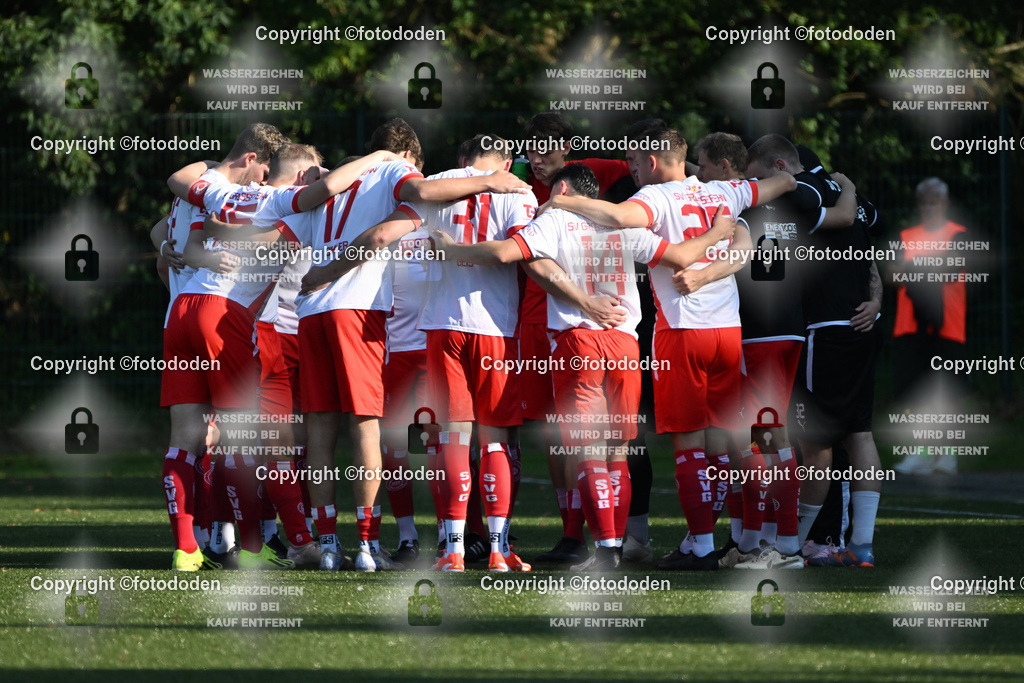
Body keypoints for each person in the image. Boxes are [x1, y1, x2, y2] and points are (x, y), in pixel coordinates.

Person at [431, 163, 736, 570]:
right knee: (618, 454)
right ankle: (615, 549)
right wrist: (718, 233)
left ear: (561, 188)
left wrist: (450, 250)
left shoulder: (555, 217)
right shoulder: (622, 218)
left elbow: (507, 252)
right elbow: (680, 256)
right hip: (626, 342)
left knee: (590, 452)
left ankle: (606, 551)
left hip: (580, 343)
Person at [540, 126, 795, 570]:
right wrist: (795, 179)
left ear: (653, 162)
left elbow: (617, 218)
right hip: (728, 331)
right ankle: (748, 540)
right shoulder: (725, 192)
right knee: (735, 443)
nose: (633, 171)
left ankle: (698, 545)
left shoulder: (656, 199)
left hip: (682, 330)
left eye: (636, 163)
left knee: (688, 443)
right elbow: (781, 183)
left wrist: (563, 200)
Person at [287, 120, 530, 572]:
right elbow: (396, 220)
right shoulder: (403, 178)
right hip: (379, 314)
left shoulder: (332, 180)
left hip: (320, 315)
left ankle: (329, 544)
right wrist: (494, 181)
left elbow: (289, 223)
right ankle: (372, 544)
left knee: (324, 433)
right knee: (387, 431)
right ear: (409, 159)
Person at [745, 136, 885, 568]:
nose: (759, 186)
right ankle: (861, 545)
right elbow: (868, 247)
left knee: (816, 445)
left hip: (822, 330)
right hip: (861, 325)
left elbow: (840, 221)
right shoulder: (858, 198)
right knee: (859, 434)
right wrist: (877, 299)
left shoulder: (798, 192)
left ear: (784, 167)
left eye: (761, 176)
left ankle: (788, 544)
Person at [160, 122, 294, 571]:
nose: (264, 178)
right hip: (220, 313)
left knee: (187, 438)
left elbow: (169, 233)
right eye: (265, 169)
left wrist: (173, 249)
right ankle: (247, 545)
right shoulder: (249, 196)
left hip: (180, 309)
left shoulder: (199, 189)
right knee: (234, 434)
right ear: (253, 159)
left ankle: (189, 546)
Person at [519, 113, 635, 565]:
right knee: (559, 435)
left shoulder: (594, 174)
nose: (538, 158)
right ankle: (575, 536)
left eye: (547, 148)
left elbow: (649, 172)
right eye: (531, 149)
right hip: (535, 324)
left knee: (607, 440)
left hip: (592, 323)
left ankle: (615, 536)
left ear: (568, 148)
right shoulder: (514, 184)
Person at [891, 177, 968, 476]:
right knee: (912, 392)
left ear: (945, 204)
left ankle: (946, 453)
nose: (928, 208)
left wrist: (912, 268)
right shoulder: (906, 235)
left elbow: (950, 269)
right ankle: (918, 451)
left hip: (948, 326)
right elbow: (892, 274)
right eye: (923, 202)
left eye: (934, 202)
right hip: (908, 327)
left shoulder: (958, 235)